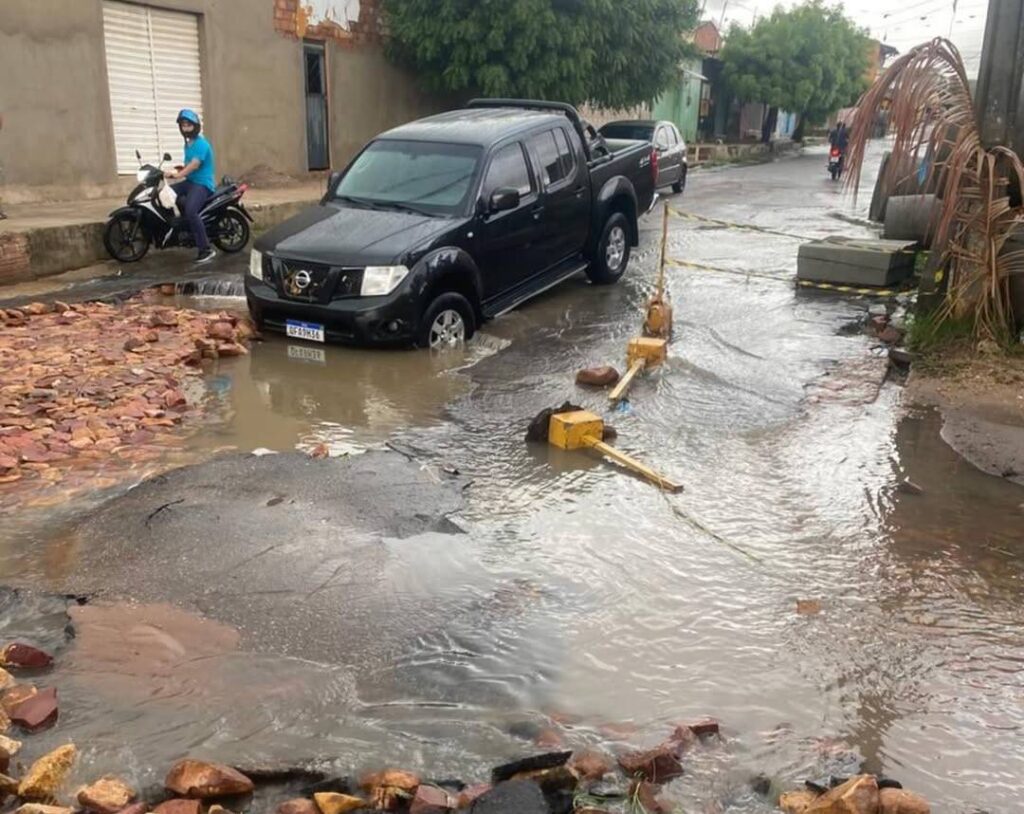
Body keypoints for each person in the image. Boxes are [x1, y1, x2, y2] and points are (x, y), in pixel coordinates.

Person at [165, 109, 216, 264]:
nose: (186, 128)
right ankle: (183, 228)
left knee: (191, 210)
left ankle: (205, 249)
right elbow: (188, 165)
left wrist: (178, 175)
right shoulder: (188, 145)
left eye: (189, 125)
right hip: (191, 182)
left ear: (196, 126)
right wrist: (176, 170)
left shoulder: (202, 144)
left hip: (203, 184)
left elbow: (195, 165)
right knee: (167, 194)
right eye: (183, 125)